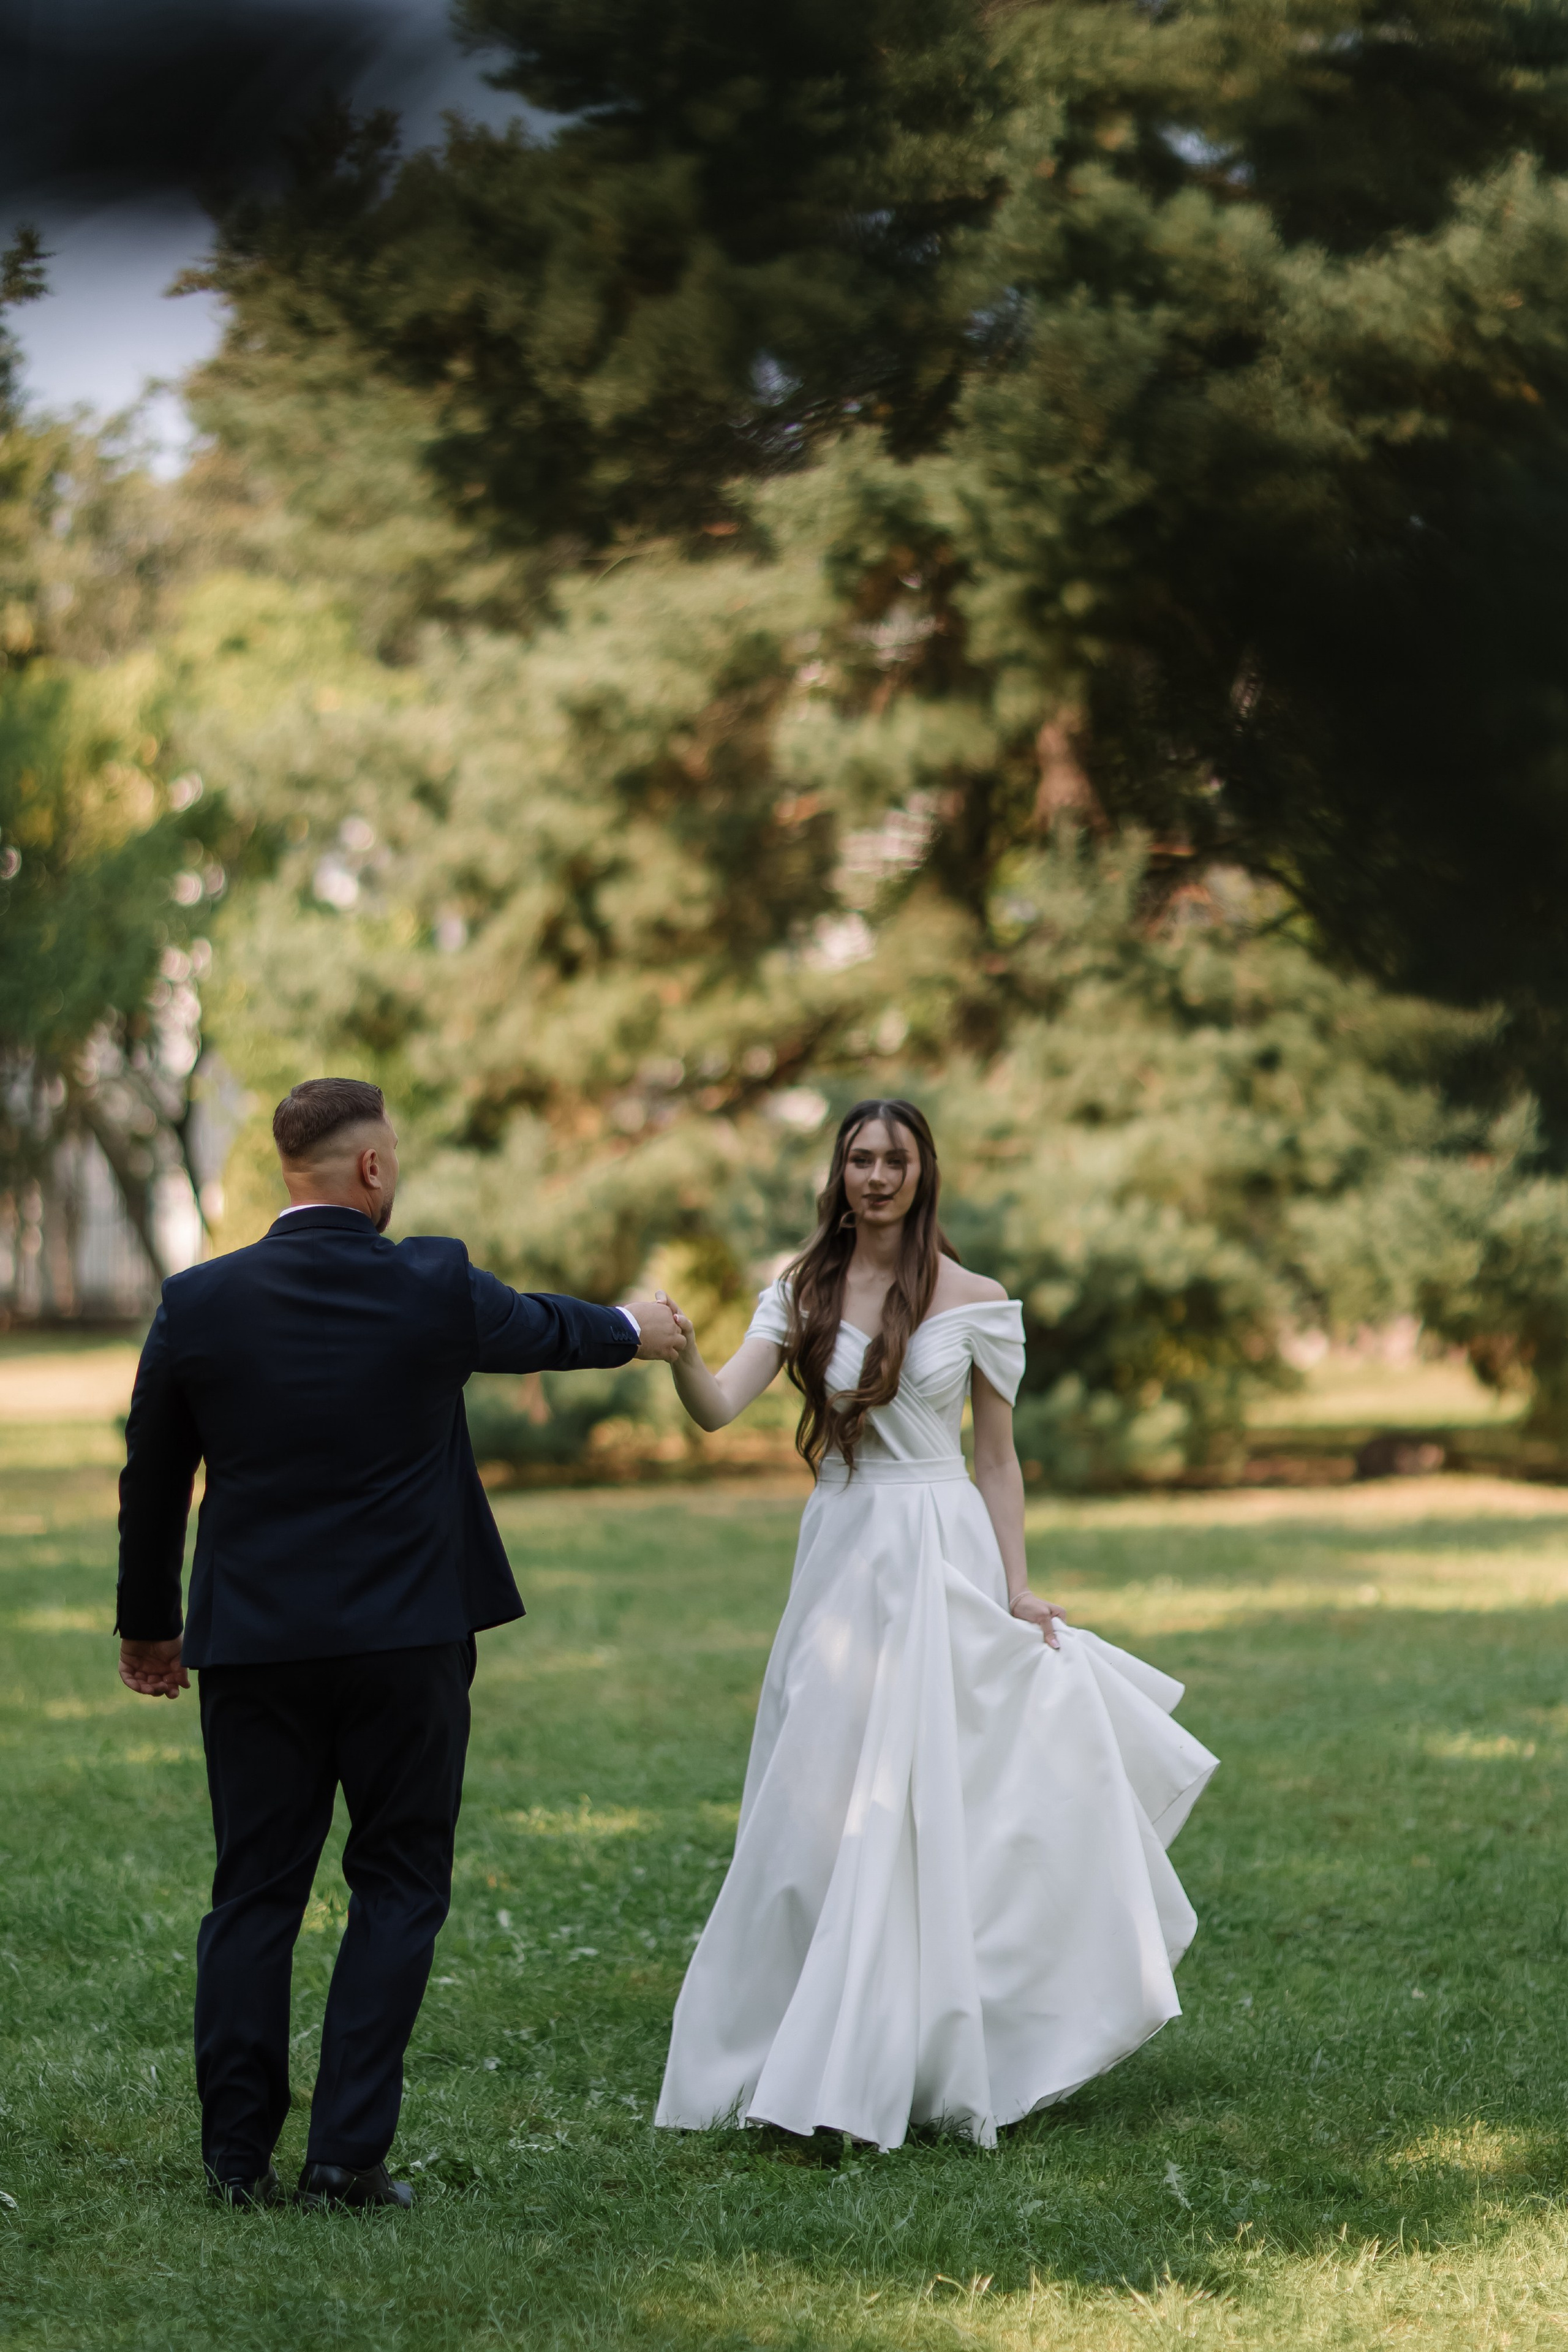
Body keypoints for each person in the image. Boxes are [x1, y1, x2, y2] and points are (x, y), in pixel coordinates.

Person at [114, 1077, 686, 2211]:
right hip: (406, 1642)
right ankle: (344, 2160)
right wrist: (640, 1332)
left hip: (255, 1649)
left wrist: (149, 1628)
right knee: (399, 1885)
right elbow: (545, 1328)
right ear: (372, 1170)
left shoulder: (199, 1300)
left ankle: (235, 2164)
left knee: (254, 1896)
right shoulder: (430, 1280)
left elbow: (153, 1478)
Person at [654, 1098, 1217, 2152]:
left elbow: (996, 1457)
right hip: (842, 1557)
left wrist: (1018, 1585)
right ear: (840, 1172)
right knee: (814, 1796)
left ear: (923, 1173)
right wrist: (679, 1351)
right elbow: (719, 1406)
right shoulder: (801, 1288)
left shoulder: (976, 1298)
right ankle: (792, 2042)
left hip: (941, 1546)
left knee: (931, 1803)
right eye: (860, 1158)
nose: (875, 1176)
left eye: (894, 1159)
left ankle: (929, 2041)